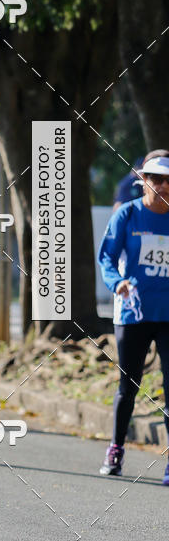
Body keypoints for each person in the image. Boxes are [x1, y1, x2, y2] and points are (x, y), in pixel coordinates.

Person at [98, 151, 169, 482]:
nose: (164, 186)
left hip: (167, 313)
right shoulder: (127, 215)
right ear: (144, 181)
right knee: (129, 386)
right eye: (157, 179)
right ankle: (116, 449)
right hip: (132, 312)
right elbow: (107, 258)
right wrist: (118, 283)